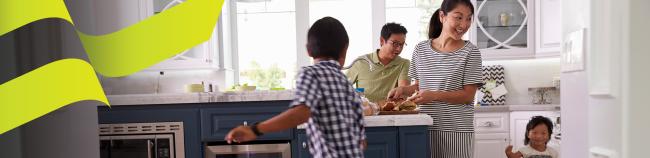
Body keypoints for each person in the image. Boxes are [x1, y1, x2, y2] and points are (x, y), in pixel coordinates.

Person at [224, 17, 366, 158]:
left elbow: (301, 113)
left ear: (308, 50)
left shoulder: (310, 74)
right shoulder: (346, 83)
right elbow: (362, 141)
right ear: (345, 50)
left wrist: (255, 129)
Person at [386, 0, 482, 157]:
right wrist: (403, 89)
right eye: (458, 17)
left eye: (468, 18)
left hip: (456, 131)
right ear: (442, 16)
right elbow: (418, 86)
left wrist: (434, 95)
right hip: (423, 127)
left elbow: (468, 96)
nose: (464, 24)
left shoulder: (471, 52)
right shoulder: (421, 49)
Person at [345, 22, 410, 103]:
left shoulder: (404, 63)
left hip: (391, 113)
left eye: (402, 44)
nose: (399, 49)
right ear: (382, 41)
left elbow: (403, 90)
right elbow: (342, 88)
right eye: (395, 44)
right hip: (367, 113)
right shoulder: (361, 62)